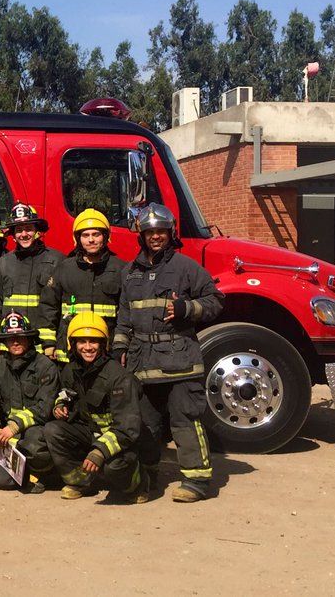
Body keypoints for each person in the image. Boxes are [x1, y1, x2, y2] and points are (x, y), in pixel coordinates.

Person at [112, 203, 224, 502]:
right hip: (143, 361)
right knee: (146, 424)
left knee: (184, 419)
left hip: (180, 360)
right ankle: (147, 477)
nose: (156, 237)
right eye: (150, 232)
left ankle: (196, 481)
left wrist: (188, 308)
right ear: (142, 235)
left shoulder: (186, 267)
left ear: (171, 233)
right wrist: (120, 346)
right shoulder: (129, 273)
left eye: (161, 231)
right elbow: (124, 316)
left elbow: (215, 300)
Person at [45, 312, 148, 503]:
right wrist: (60, 405)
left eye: (93, 341)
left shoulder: (119, 377)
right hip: (90, 432)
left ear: (103, 344)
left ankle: (137, 484)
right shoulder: (71, 370)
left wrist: (99, 451)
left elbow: (127, 428)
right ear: (73, 344)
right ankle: (81, 482)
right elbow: (65, 393)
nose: (87, 347)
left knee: (114, 466)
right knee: (53, 430)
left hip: (120, 439)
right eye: (82, 341)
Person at [0, 311, 59, 492]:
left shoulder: (45, 366)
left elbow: (45, 407)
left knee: (34, 444)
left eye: (20, 337)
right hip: (9, 436)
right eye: (10, 338)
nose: (15, 342)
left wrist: (14, 426)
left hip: (35, 431)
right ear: (4, 341)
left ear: (30, 339)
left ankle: (43, 474)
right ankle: (24, 473)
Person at [40, 208, 125, 362]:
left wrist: (121, 345)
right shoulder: (64, 268)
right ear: (78, 239)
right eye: (85, 235)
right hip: (69, 351)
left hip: (107, 350)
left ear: (106, 236)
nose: (91, 240)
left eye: (96, 234)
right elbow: (48, 306)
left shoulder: (120, 269)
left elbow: (127, 313)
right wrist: (48, 342)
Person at [0, 203, 62, 350]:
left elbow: (59, 308)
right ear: (13, 234)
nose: (24, 234)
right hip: (10, 344)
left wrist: (50, 343)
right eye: (19, 230)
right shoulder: (4, 262)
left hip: (42, 346)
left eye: (29, 229)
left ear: (37, 231)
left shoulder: (56, 261)